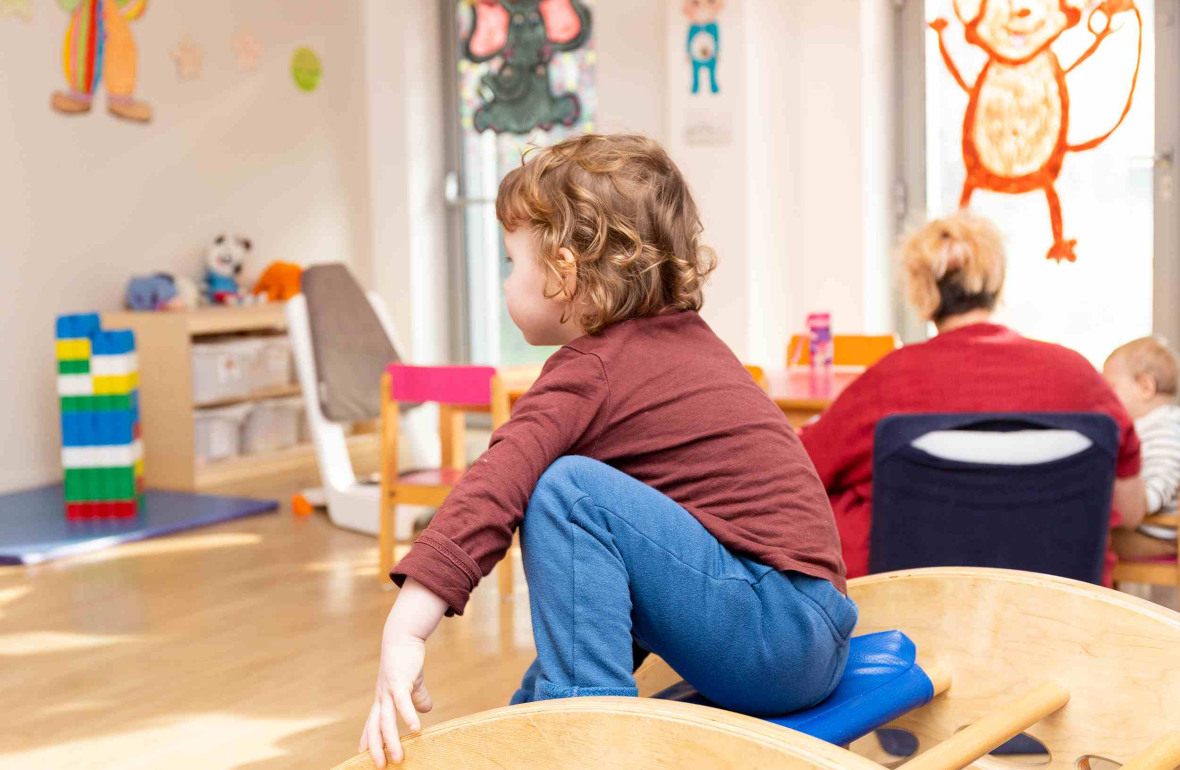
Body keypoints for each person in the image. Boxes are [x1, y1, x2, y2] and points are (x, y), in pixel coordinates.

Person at [360, 134, 853, 767]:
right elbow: (600, 595)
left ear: (563, 272)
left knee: (565, 490)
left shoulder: (592, 367)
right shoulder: (685, 344)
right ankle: (544, 722)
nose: (508, 281)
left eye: (513, 262)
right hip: (803, 630)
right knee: (592, 541)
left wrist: (405, 629)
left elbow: (495, 481)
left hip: (775, 629)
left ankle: (587, 739)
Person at [800, 210, 1145, 580]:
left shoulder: (888, 380)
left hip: (912, 607)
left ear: (922, 291)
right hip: (1059, 609)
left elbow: (800, 468)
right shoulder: (1079, 377)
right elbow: (1132, 509)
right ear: (997, 282)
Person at [1103, 337, 1180, 561]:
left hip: (1158, 537)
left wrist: (1131, 497)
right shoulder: (1157, 426)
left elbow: (1157, 487)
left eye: (1112, 389)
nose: (1107, 398)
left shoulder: (1165, 431)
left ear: (1146, 387)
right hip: (1149, 530)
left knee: (1088, 539)